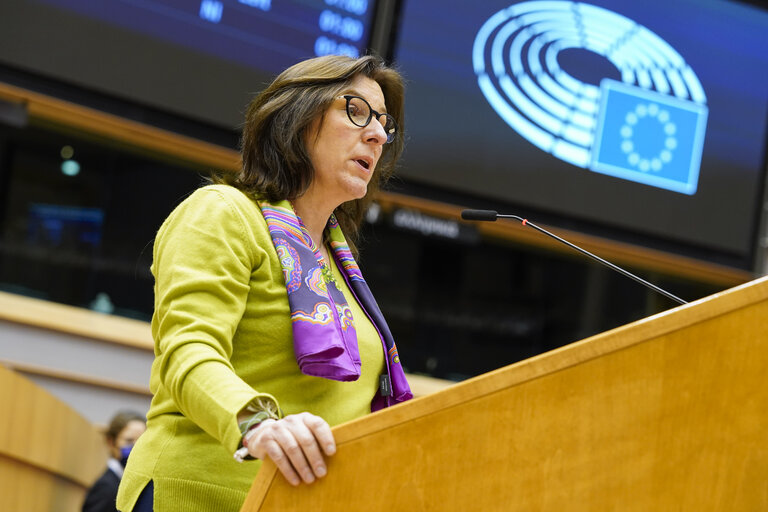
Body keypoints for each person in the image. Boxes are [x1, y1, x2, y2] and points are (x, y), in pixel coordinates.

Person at [116, 54, 412, 512]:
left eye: (384, 123)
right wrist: (258, 423)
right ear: (297, 117)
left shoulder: (338, 264)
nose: (376, 133)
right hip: (199, 495)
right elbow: (188, 351)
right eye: (355, 110)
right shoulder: (223, 212)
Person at [82, 410, 146, 512]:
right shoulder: (106, 488)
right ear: (111, 442)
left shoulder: (129, 482)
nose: (136, 447)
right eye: (129, 440)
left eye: (141, 441)